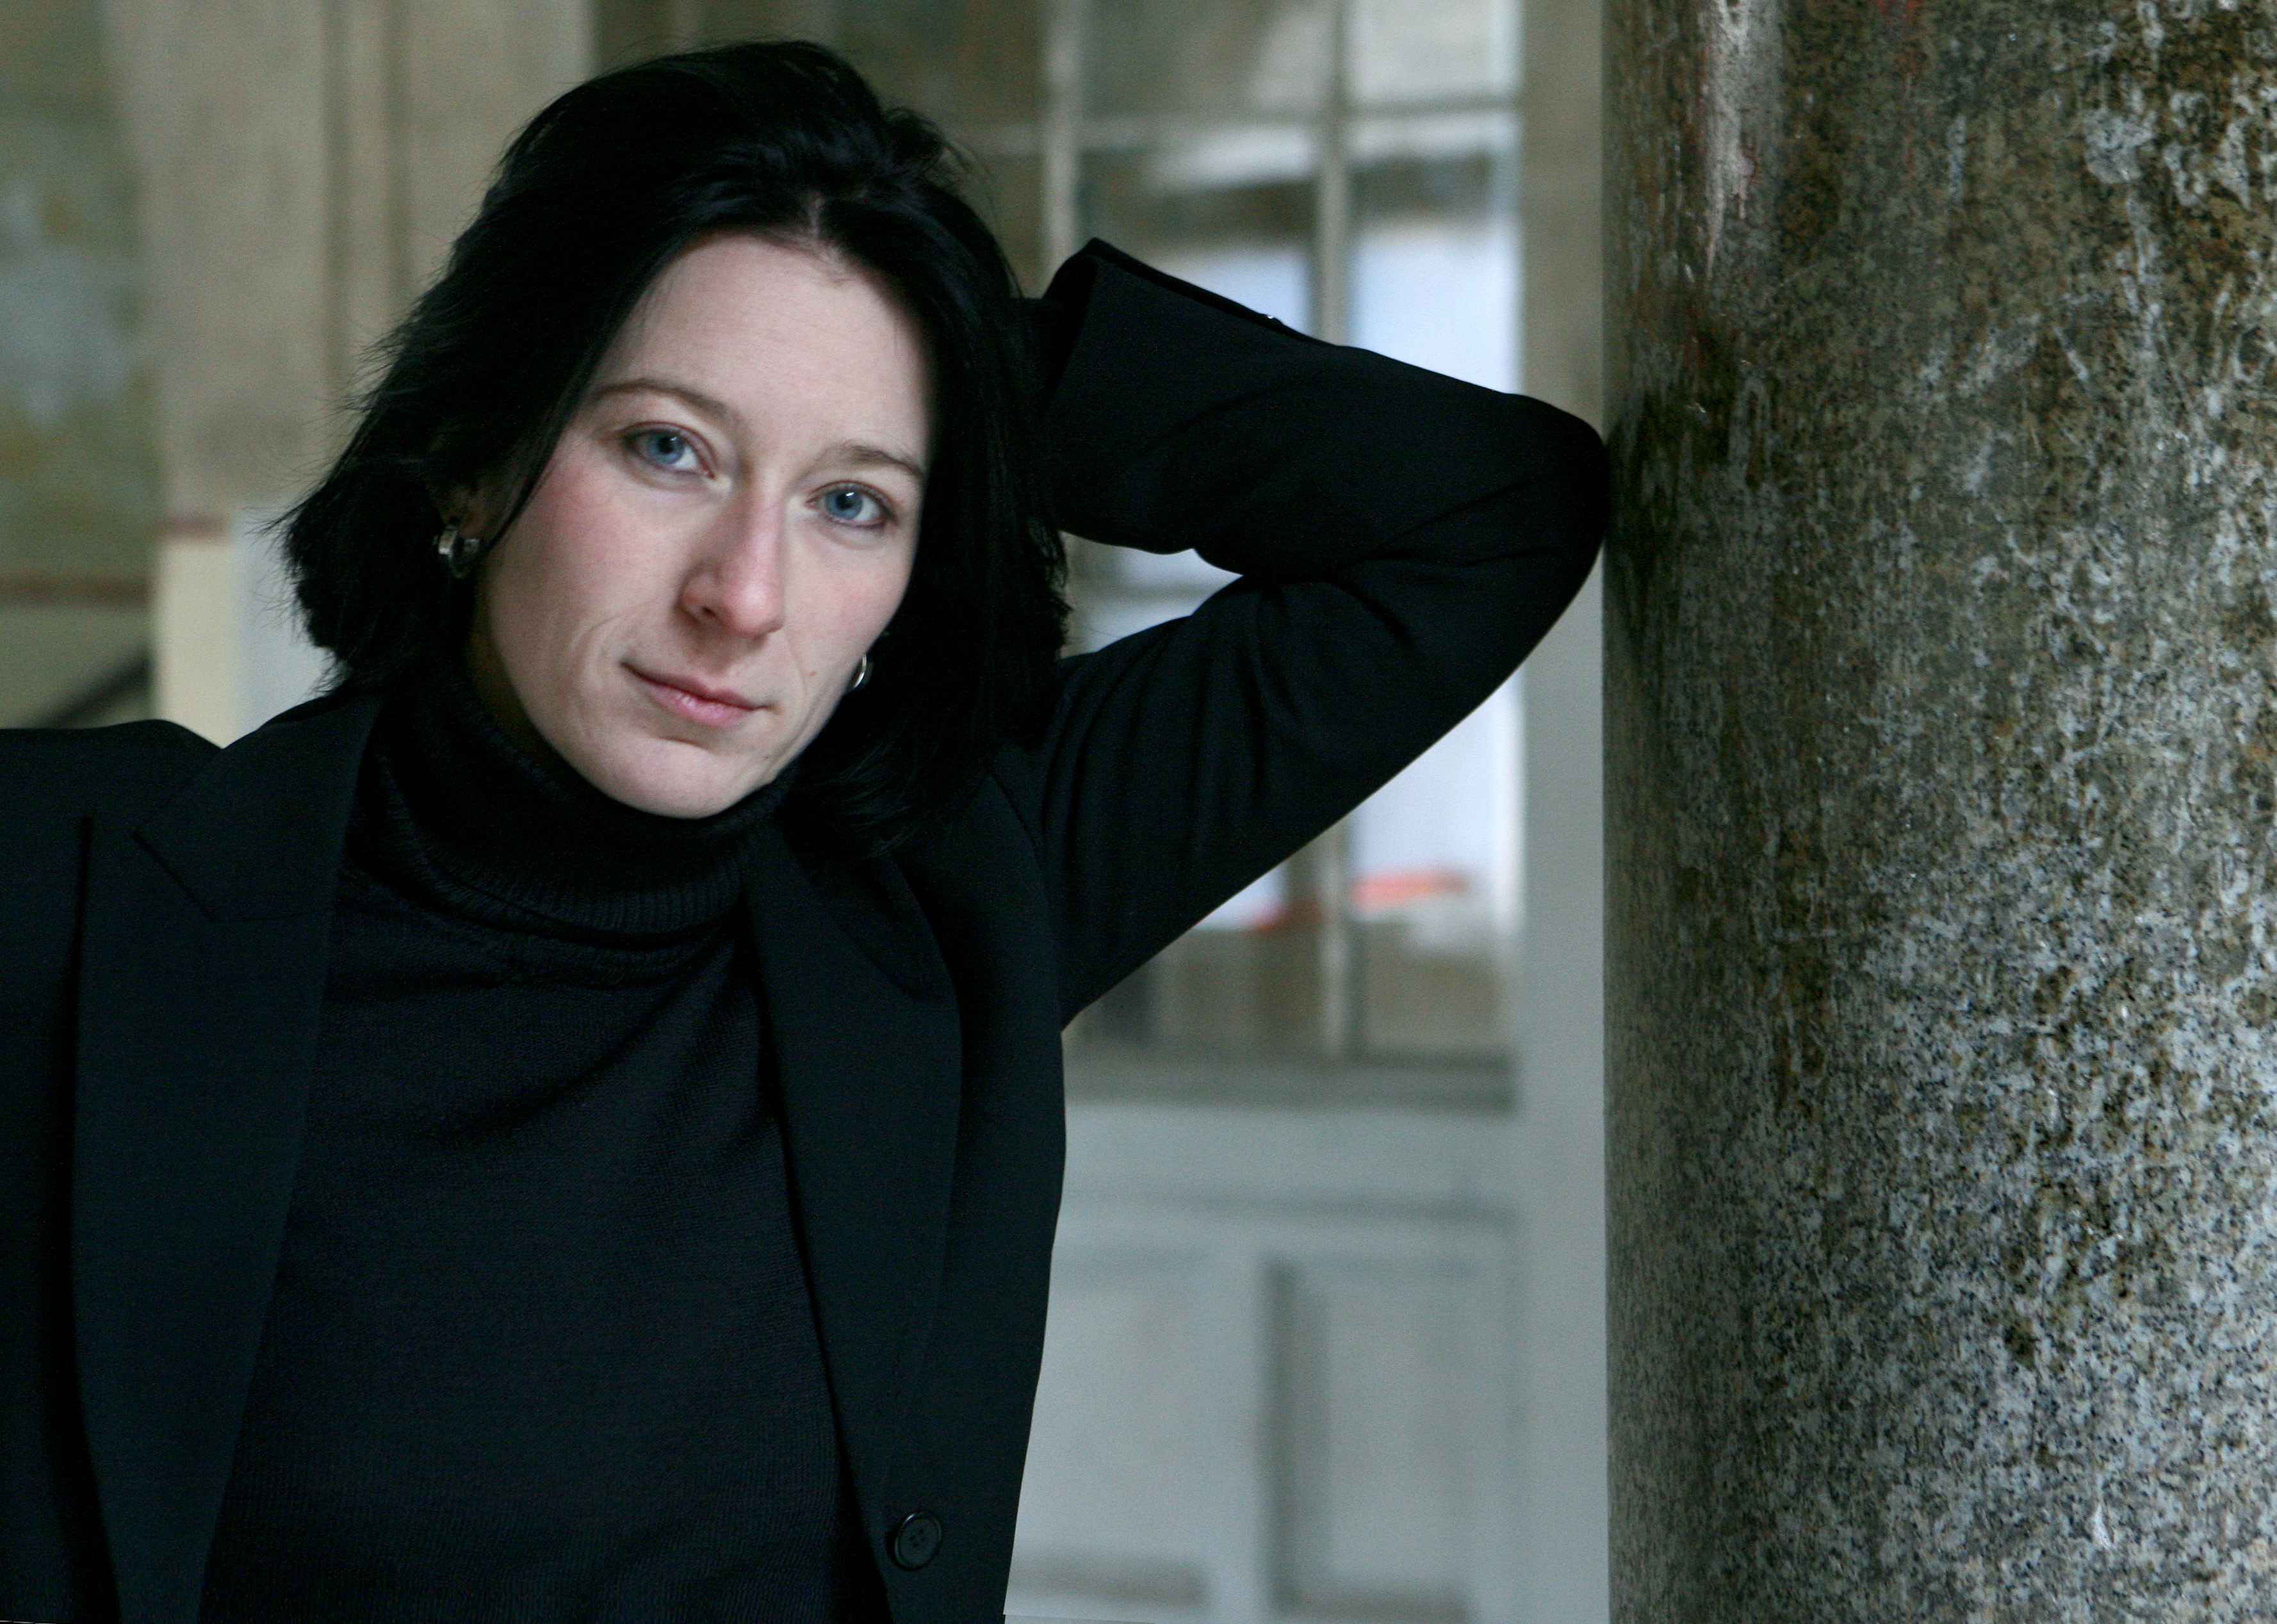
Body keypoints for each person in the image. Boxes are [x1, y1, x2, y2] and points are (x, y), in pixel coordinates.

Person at [0, 37, 1607, 1624]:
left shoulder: (959, 880)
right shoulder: (68, 882)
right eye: (667, 447)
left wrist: (944, 349)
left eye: (853, 504)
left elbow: (1482, 515)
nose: (746, 595)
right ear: (476, 460)